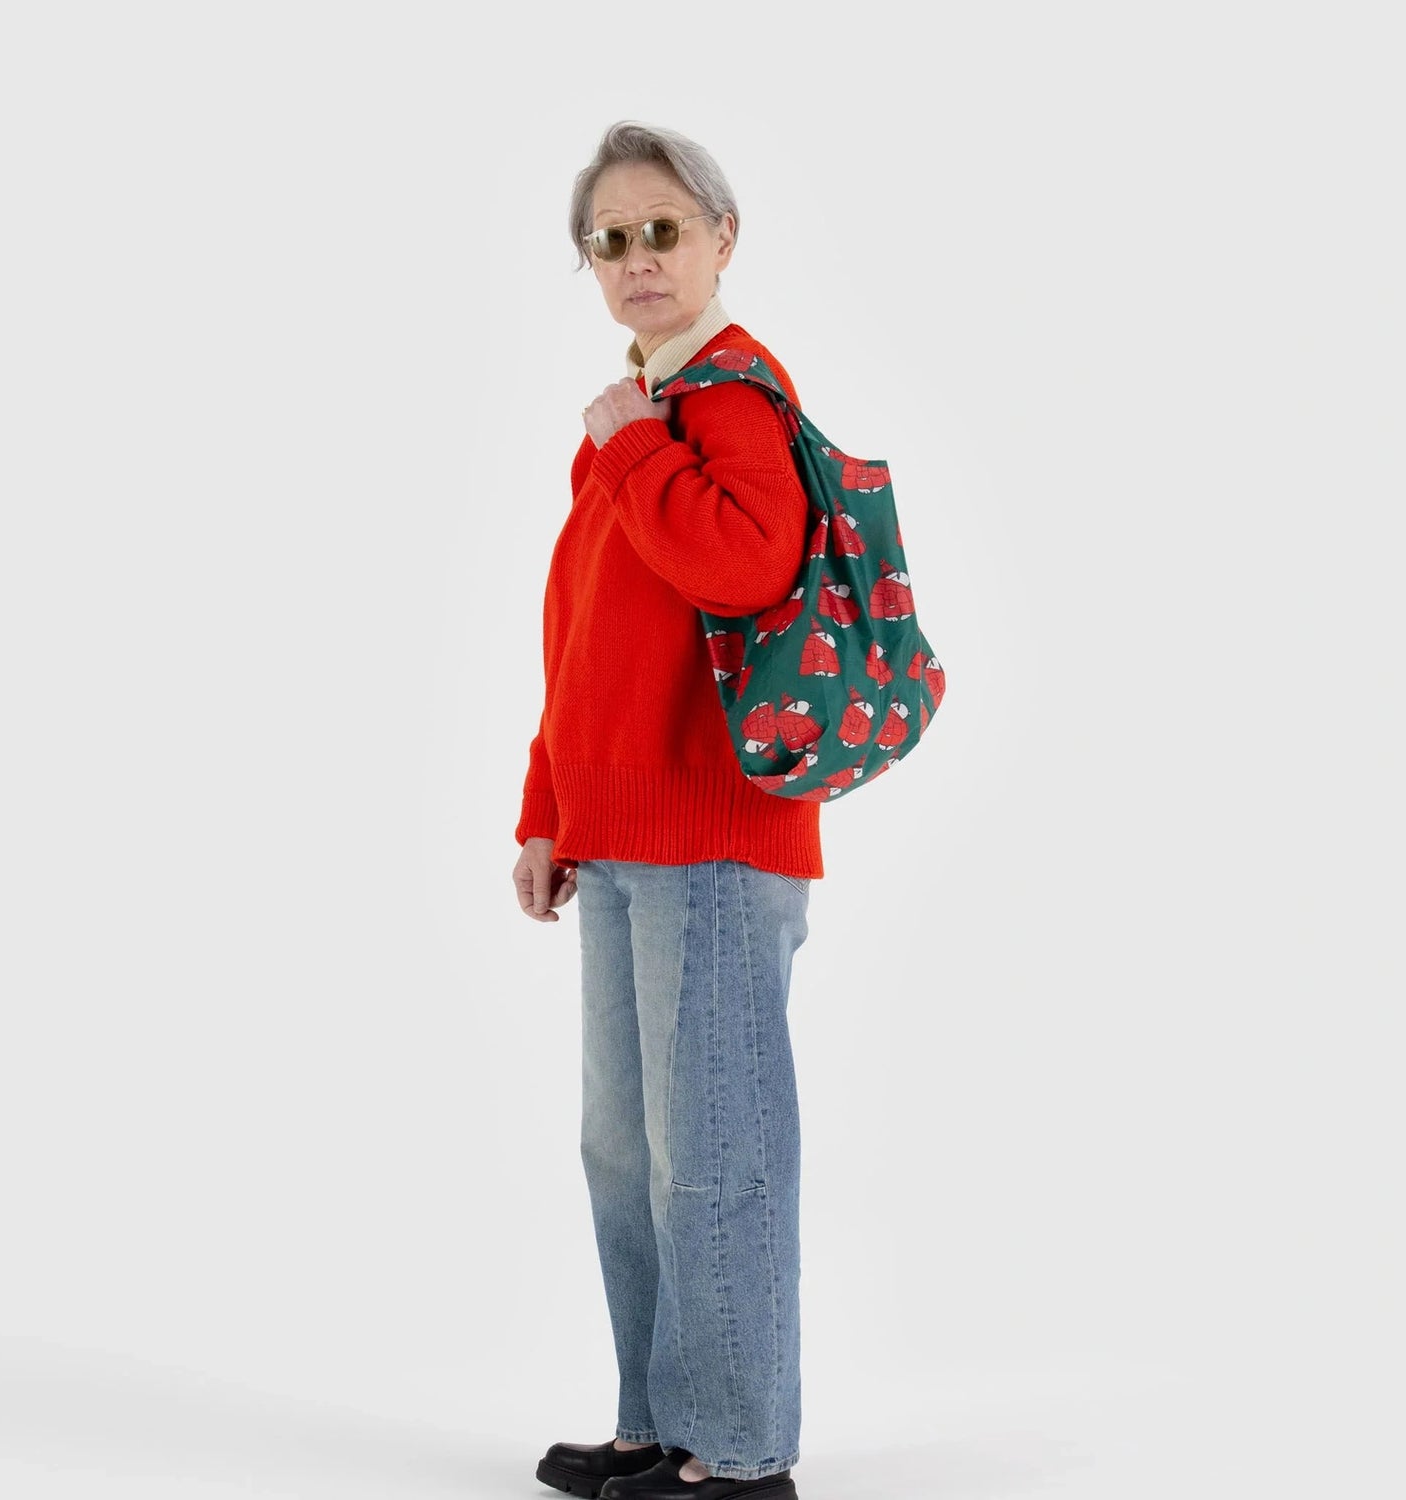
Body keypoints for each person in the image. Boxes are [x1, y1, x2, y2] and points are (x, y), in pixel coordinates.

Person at [517, 120, 819, 1500]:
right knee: (629, 1154)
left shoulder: (732, 400)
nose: (637, 259)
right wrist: (546, 810)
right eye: (611, 239)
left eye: (662, 232)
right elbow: (583, 640)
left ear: (720, 241)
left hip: (712, 840)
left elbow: (746, 568)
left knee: (720, 1157)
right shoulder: (632, 417)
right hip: (625, 841)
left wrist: (639, 442)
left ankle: (743, 1453)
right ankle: (661, 1424)